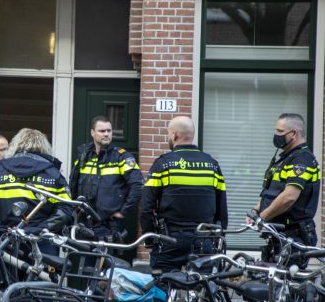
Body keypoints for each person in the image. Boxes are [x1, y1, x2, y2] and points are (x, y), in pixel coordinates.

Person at [141, 116, 227, 272]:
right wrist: (218, 239)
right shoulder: (212, 165)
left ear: (174, 135)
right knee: (203, 290)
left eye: (168, 133)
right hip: (203, 241)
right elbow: (222, 209)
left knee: (163, 289)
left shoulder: (162, 164)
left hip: (169, 241)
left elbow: (146, 208)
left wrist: (149, 241)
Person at [0, 128, 73, 253]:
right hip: (40, 245)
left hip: (2, 243)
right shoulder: (53, 174)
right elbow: (65, 209)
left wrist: (0, 230)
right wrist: (40, 230)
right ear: (44, 147)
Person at [248, 113, 320, 267]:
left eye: (280, 132)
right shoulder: (286, 158)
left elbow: (289, 197)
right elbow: (272, 190)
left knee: (288, 286)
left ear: (294, 133)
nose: (276, 135)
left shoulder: (302, 160)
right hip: (278, 234)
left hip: (293, 237)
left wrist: (263, 218)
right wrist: (255, 211)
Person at [69, 116, 143, 252]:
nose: (106, 134)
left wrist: (123, 211)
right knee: (84, 266)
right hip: (83, 223)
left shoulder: (121, 157)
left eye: (109, 131)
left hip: (108, 226)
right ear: (92, 133)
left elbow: (138, 185)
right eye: (102, 131)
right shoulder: (83, 157)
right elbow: (73, 184)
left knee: (103, 267)